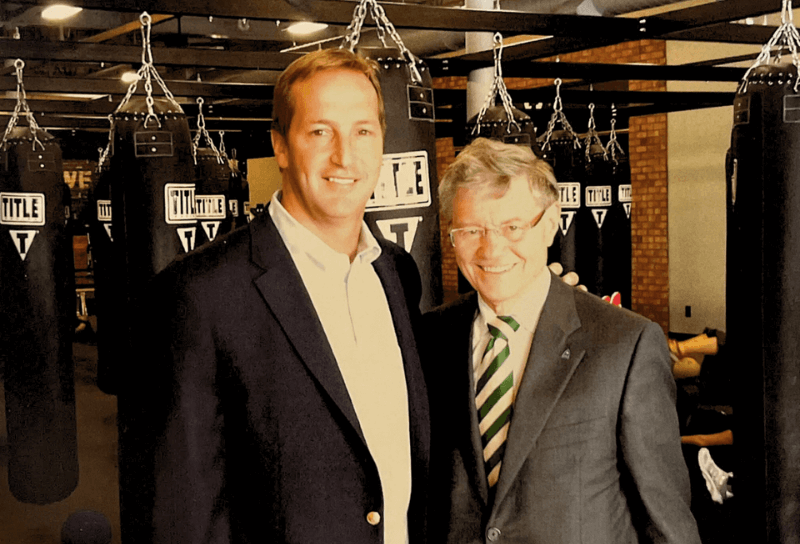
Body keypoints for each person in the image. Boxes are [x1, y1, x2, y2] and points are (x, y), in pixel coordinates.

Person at [118, 48, 430, 544]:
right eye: (320, 131)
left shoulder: (397, 273)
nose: (345, 156)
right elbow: (179, 514)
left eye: (363, 131)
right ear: (280, 146)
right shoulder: (199, 295)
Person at [421, 137, 701, 544]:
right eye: (471, 230)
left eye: (513, 226)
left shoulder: (625, 344)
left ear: (552, 222)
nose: (491, 247)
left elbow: (667, 522)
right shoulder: (430, 339)